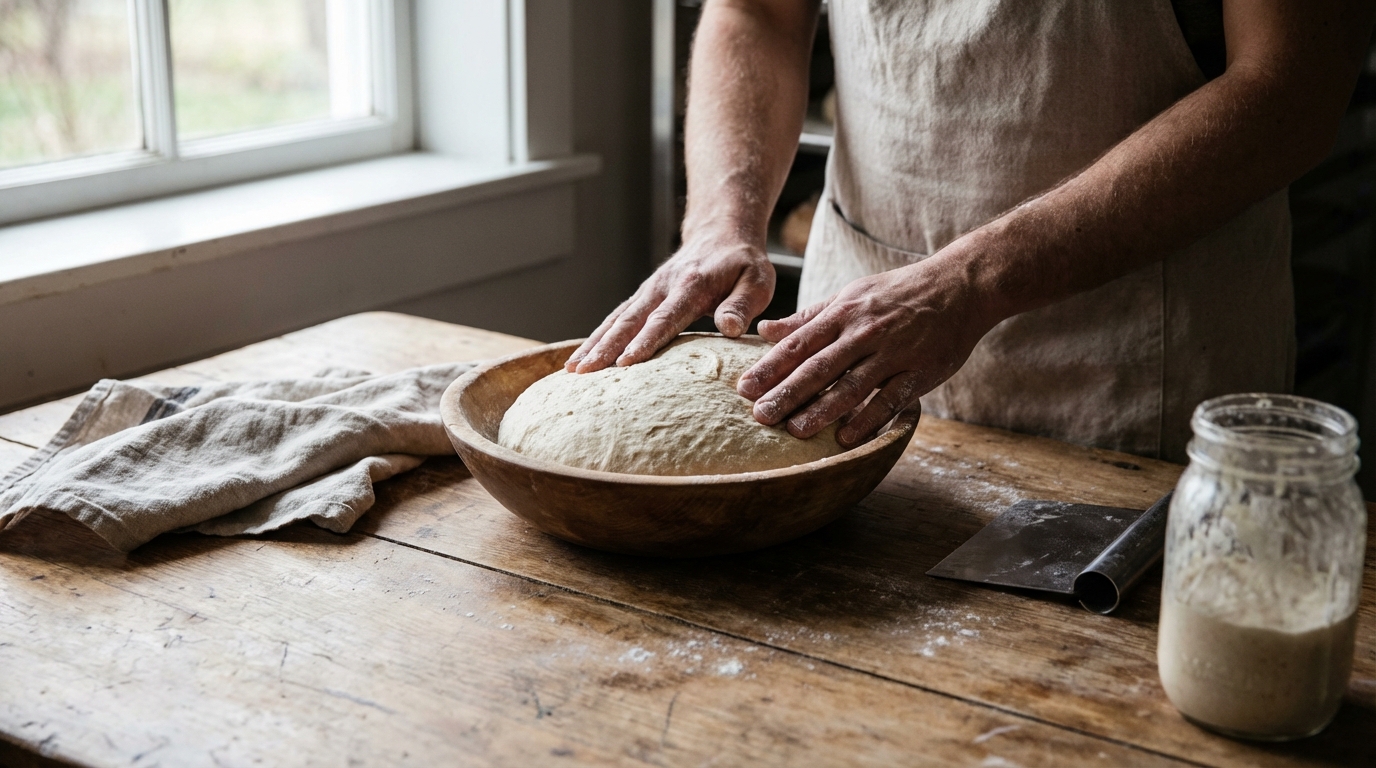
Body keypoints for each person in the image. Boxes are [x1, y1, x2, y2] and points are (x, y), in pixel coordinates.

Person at [567, 0, 1374, 463]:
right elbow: (757, 12)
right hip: (847, 342)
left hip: (1133, 361)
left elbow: (1291, 87)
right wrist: (720, 217)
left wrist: (969, 281)